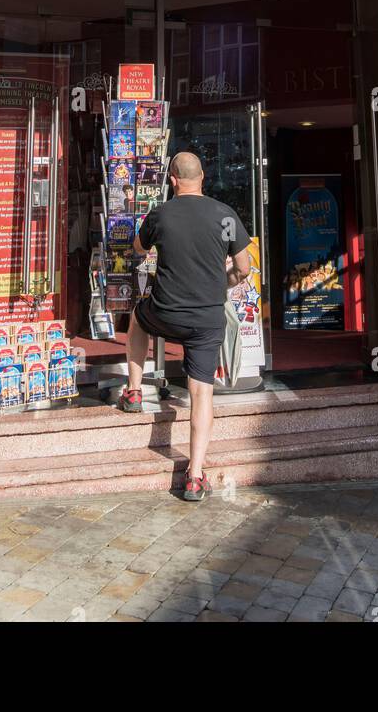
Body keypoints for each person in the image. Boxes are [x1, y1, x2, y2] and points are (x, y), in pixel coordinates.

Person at [121, 151, 251, 502]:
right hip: (207, 319)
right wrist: (219, 283)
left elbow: (137, 248)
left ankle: (133, 391)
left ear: (172, 180)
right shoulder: (225, 215)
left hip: (165, 312)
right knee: (200, 393)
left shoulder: (160, 214)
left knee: (137, 318)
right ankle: (194, 475)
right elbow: (244, 267)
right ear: (203, 176)